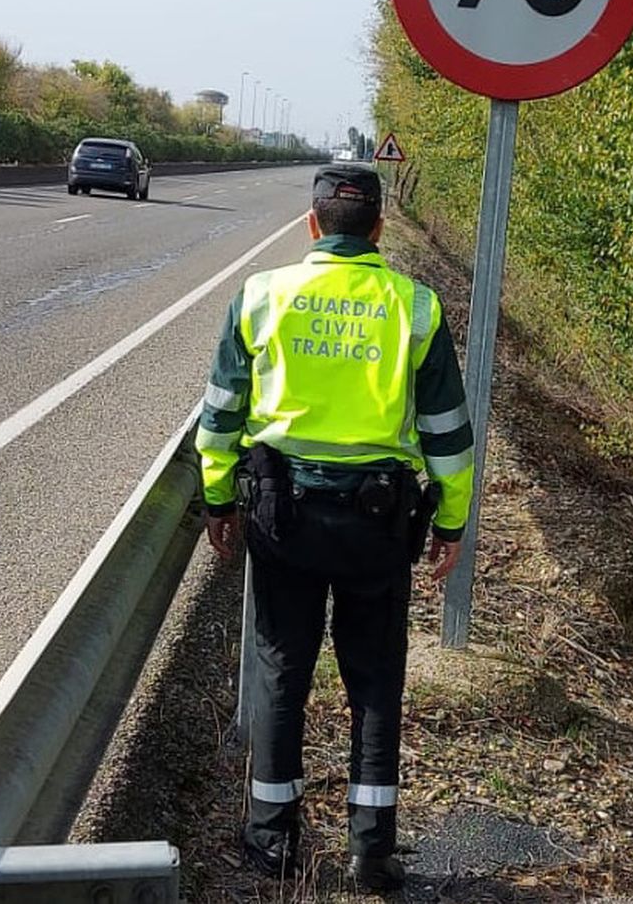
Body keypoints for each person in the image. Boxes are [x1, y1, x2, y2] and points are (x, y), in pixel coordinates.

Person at [196, 164, 475, 891]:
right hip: (378, 525)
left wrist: (219, 502)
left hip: (282, 518)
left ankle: (271, 840)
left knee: (281, 667)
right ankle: (371, 850)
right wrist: (451, 519)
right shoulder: (414, 307)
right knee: (375, 679)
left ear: (312, 224)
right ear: (379, 229)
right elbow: (448, 435)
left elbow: (220, 417)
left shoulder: (261, 296)